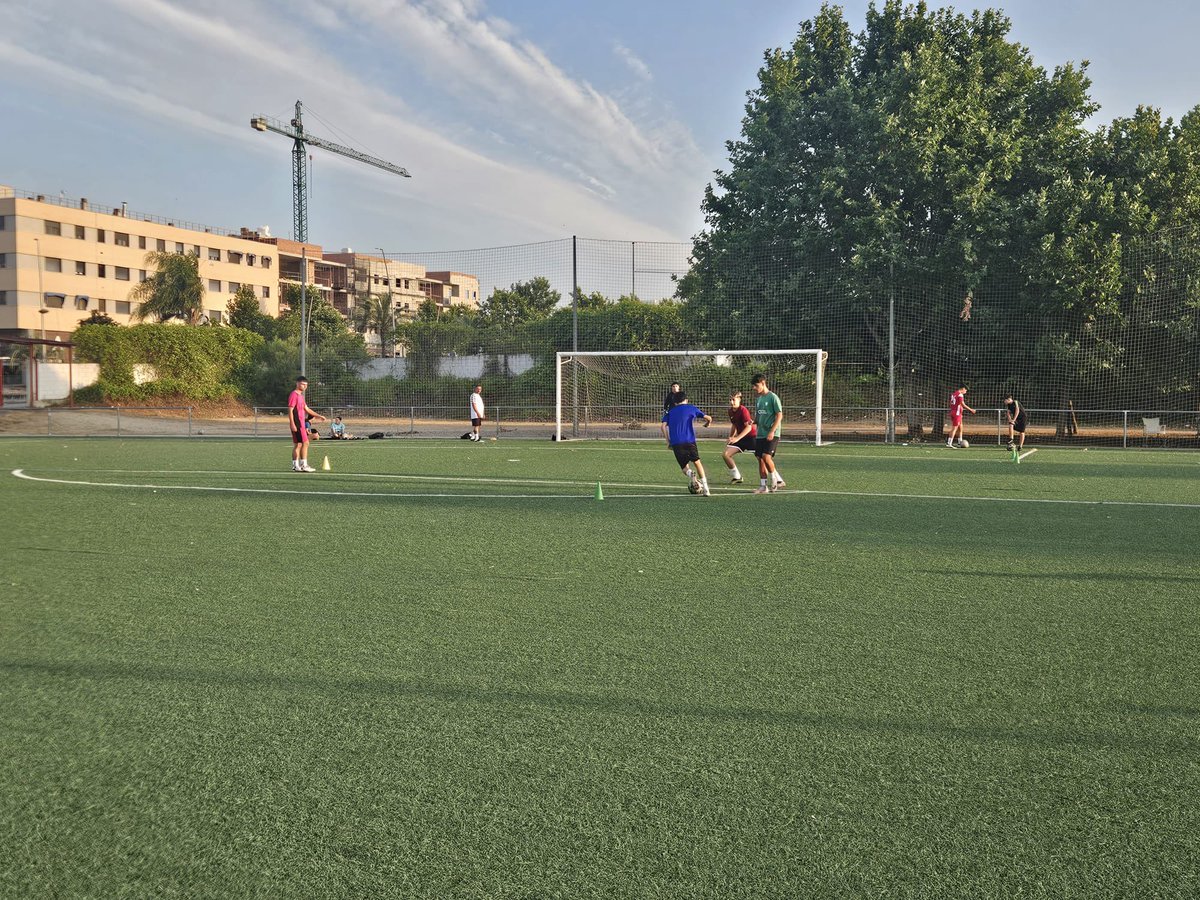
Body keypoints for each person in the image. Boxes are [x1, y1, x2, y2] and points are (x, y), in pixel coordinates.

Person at [660, 390, 713, 495]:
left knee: (684, 467)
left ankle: (690, 474)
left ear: (675, 403)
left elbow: (662, 426)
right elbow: (709, 418)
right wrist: (708, 423)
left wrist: (668, 441)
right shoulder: (691, 408)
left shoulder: (671, 412)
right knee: (697, 462)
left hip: (676, 442)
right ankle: (706, 489)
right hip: (690, 441)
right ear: (686, 400)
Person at [751, 373, 786, 493]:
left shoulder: (773, 397)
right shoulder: (759, 399)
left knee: (766, 457)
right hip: (760, 433)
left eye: (756, 385)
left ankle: (775, 481)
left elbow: (779, 415)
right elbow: (759, 416)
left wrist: (772, 431)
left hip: (772, 433)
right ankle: (763, 486)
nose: (754, 388)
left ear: (763, 383)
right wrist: (753, 422)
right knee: (759, 458)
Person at [287, 375, 326, 472]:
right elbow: (290, 410)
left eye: (306, 385)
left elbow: (307, 409)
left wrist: (318, 416)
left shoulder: (300, 396)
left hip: (301, 424)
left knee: (299, 445)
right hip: (298, 424)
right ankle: (303, 465)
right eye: (303, 384)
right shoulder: (294, 395)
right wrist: (292, 423)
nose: (305, 386)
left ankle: (296, 466)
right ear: (297, 383)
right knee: (305, 443)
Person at [721, 390, 757, 484]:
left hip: (751, 437)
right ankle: (737, 477)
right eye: (730, 400)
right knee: (726, 454)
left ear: (739, 400)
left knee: (763, 459)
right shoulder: (730, 411)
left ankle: (777, 478)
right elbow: (734, 425)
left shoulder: (743, 410)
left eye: (733, 399)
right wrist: (731, 437)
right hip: (741, 438)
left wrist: (737, 438)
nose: (731, 402)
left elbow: (749, 428)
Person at [1004, 393, 1027, 461]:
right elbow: (1008, 413)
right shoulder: (1008, 405)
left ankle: (1020, 446)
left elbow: (1017, 410)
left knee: (1022, 432)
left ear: (1008, 399)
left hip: (1022, 418)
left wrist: (1013, 419)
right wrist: (1010, 420)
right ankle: (1011, 440)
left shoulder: (1015, 402)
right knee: (1011, 425)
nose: (1004, 402)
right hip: (1016, 418)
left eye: (1005, 400)